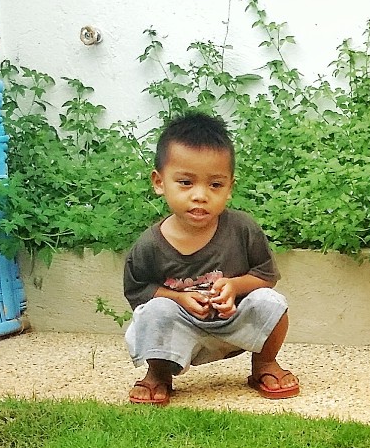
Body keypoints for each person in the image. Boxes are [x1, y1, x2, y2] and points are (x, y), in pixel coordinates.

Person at [122, 111, 298, 404]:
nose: (200, 195)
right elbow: (139, 291)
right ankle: (159, 373)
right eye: (186, 183)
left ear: (230, 187)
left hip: (234, 324)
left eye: (215, 184)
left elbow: (266, 276)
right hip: (181, 329)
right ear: (159, 182)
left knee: (272, 303)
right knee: (154, 311)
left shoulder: (242, 229)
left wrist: (234, 286)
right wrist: (178, 298)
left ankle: (264, 364)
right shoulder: (150, 245)